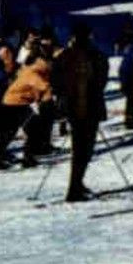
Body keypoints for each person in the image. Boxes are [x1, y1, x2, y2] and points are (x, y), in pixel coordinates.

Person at [51, 22, 108, 202]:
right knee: (86, 148)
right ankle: (75, 187)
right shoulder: (98, 56)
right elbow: (101, 81)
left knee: (78, 147)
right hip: (91, 106)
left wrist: (65, 94)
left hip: (72, 107)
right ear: (89, 37)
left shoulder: (64, 56)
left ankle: (77, 184)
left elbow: (55, 81)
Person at [0, 53, 52, 169]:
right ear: (44, 63)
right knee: (16, 131)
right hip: (15, 103)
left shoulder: (32, 69)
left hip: (15, 102)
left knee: (12, 132)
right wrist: (48, 98)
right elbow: (43, 86)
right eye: (50, 64)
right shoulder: (33, 73)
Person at [116, 28, 133, 129]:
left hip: (132, 77)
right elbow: (130, 65)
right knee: (132, 100)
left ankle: (132, 118)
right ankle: (129, 121)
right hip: (130, 78)